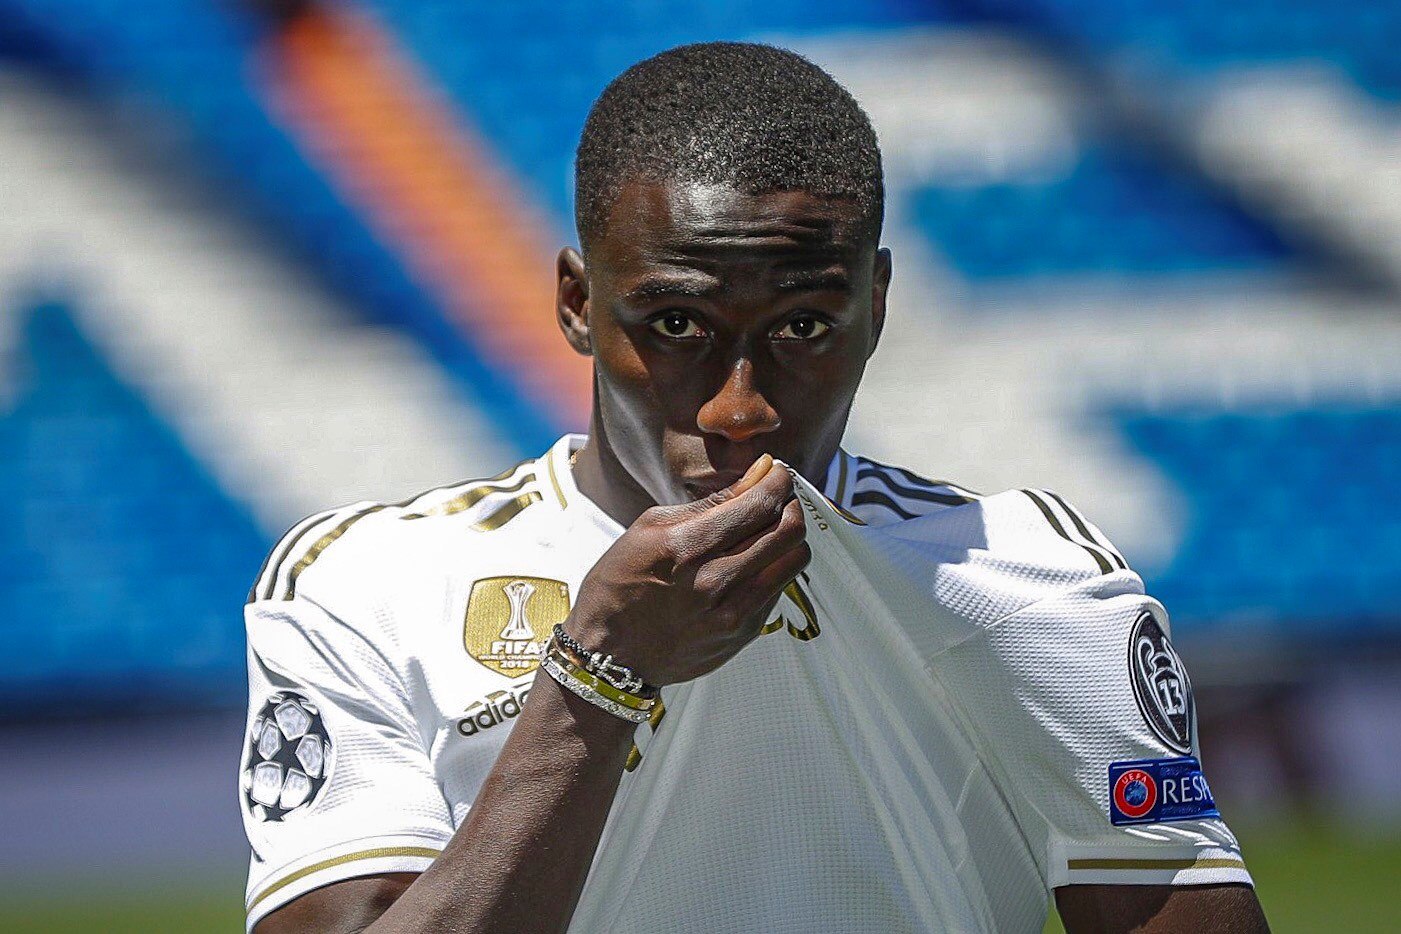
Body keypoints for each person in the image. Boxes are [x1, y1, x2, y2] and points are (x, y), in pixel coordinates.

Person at [239, 42, 1269, 933]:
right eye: (677, 325)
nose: (741, 408)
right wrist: (599, 677)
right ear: (576, 304)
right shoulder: (367, 583)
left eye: (804, 327)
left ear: (877, 306)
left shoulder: (1030, 582)